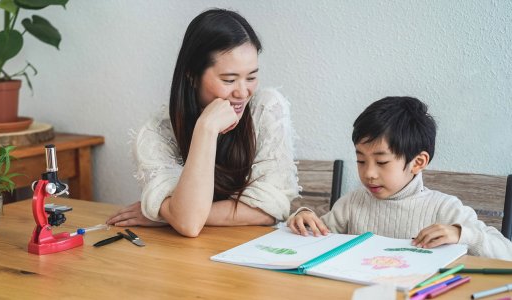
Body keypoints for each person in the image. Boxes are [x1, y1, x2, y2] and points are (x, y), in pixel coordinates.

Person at [107, 9, 299, 237]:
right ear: (191, 75)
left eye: (251, 77)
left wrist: (166, 215)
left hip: (255, 250)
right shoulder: (157, 133)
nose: (242, 92)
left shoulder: (266, 108)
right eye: (229, 79)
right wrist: (205, 130)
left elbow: (269, 211)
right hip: (187, 258)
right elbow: (189, 225)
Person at [287, 96, 512, 260]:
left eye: (382, 162)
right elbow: (312, 239)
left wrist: (464, 235)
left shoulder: (444, 209)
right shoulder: (352, 203)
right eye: (361, 161)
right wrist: (302, 217)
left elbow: (506, 252)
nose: (369, 173)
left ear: (418, 162)